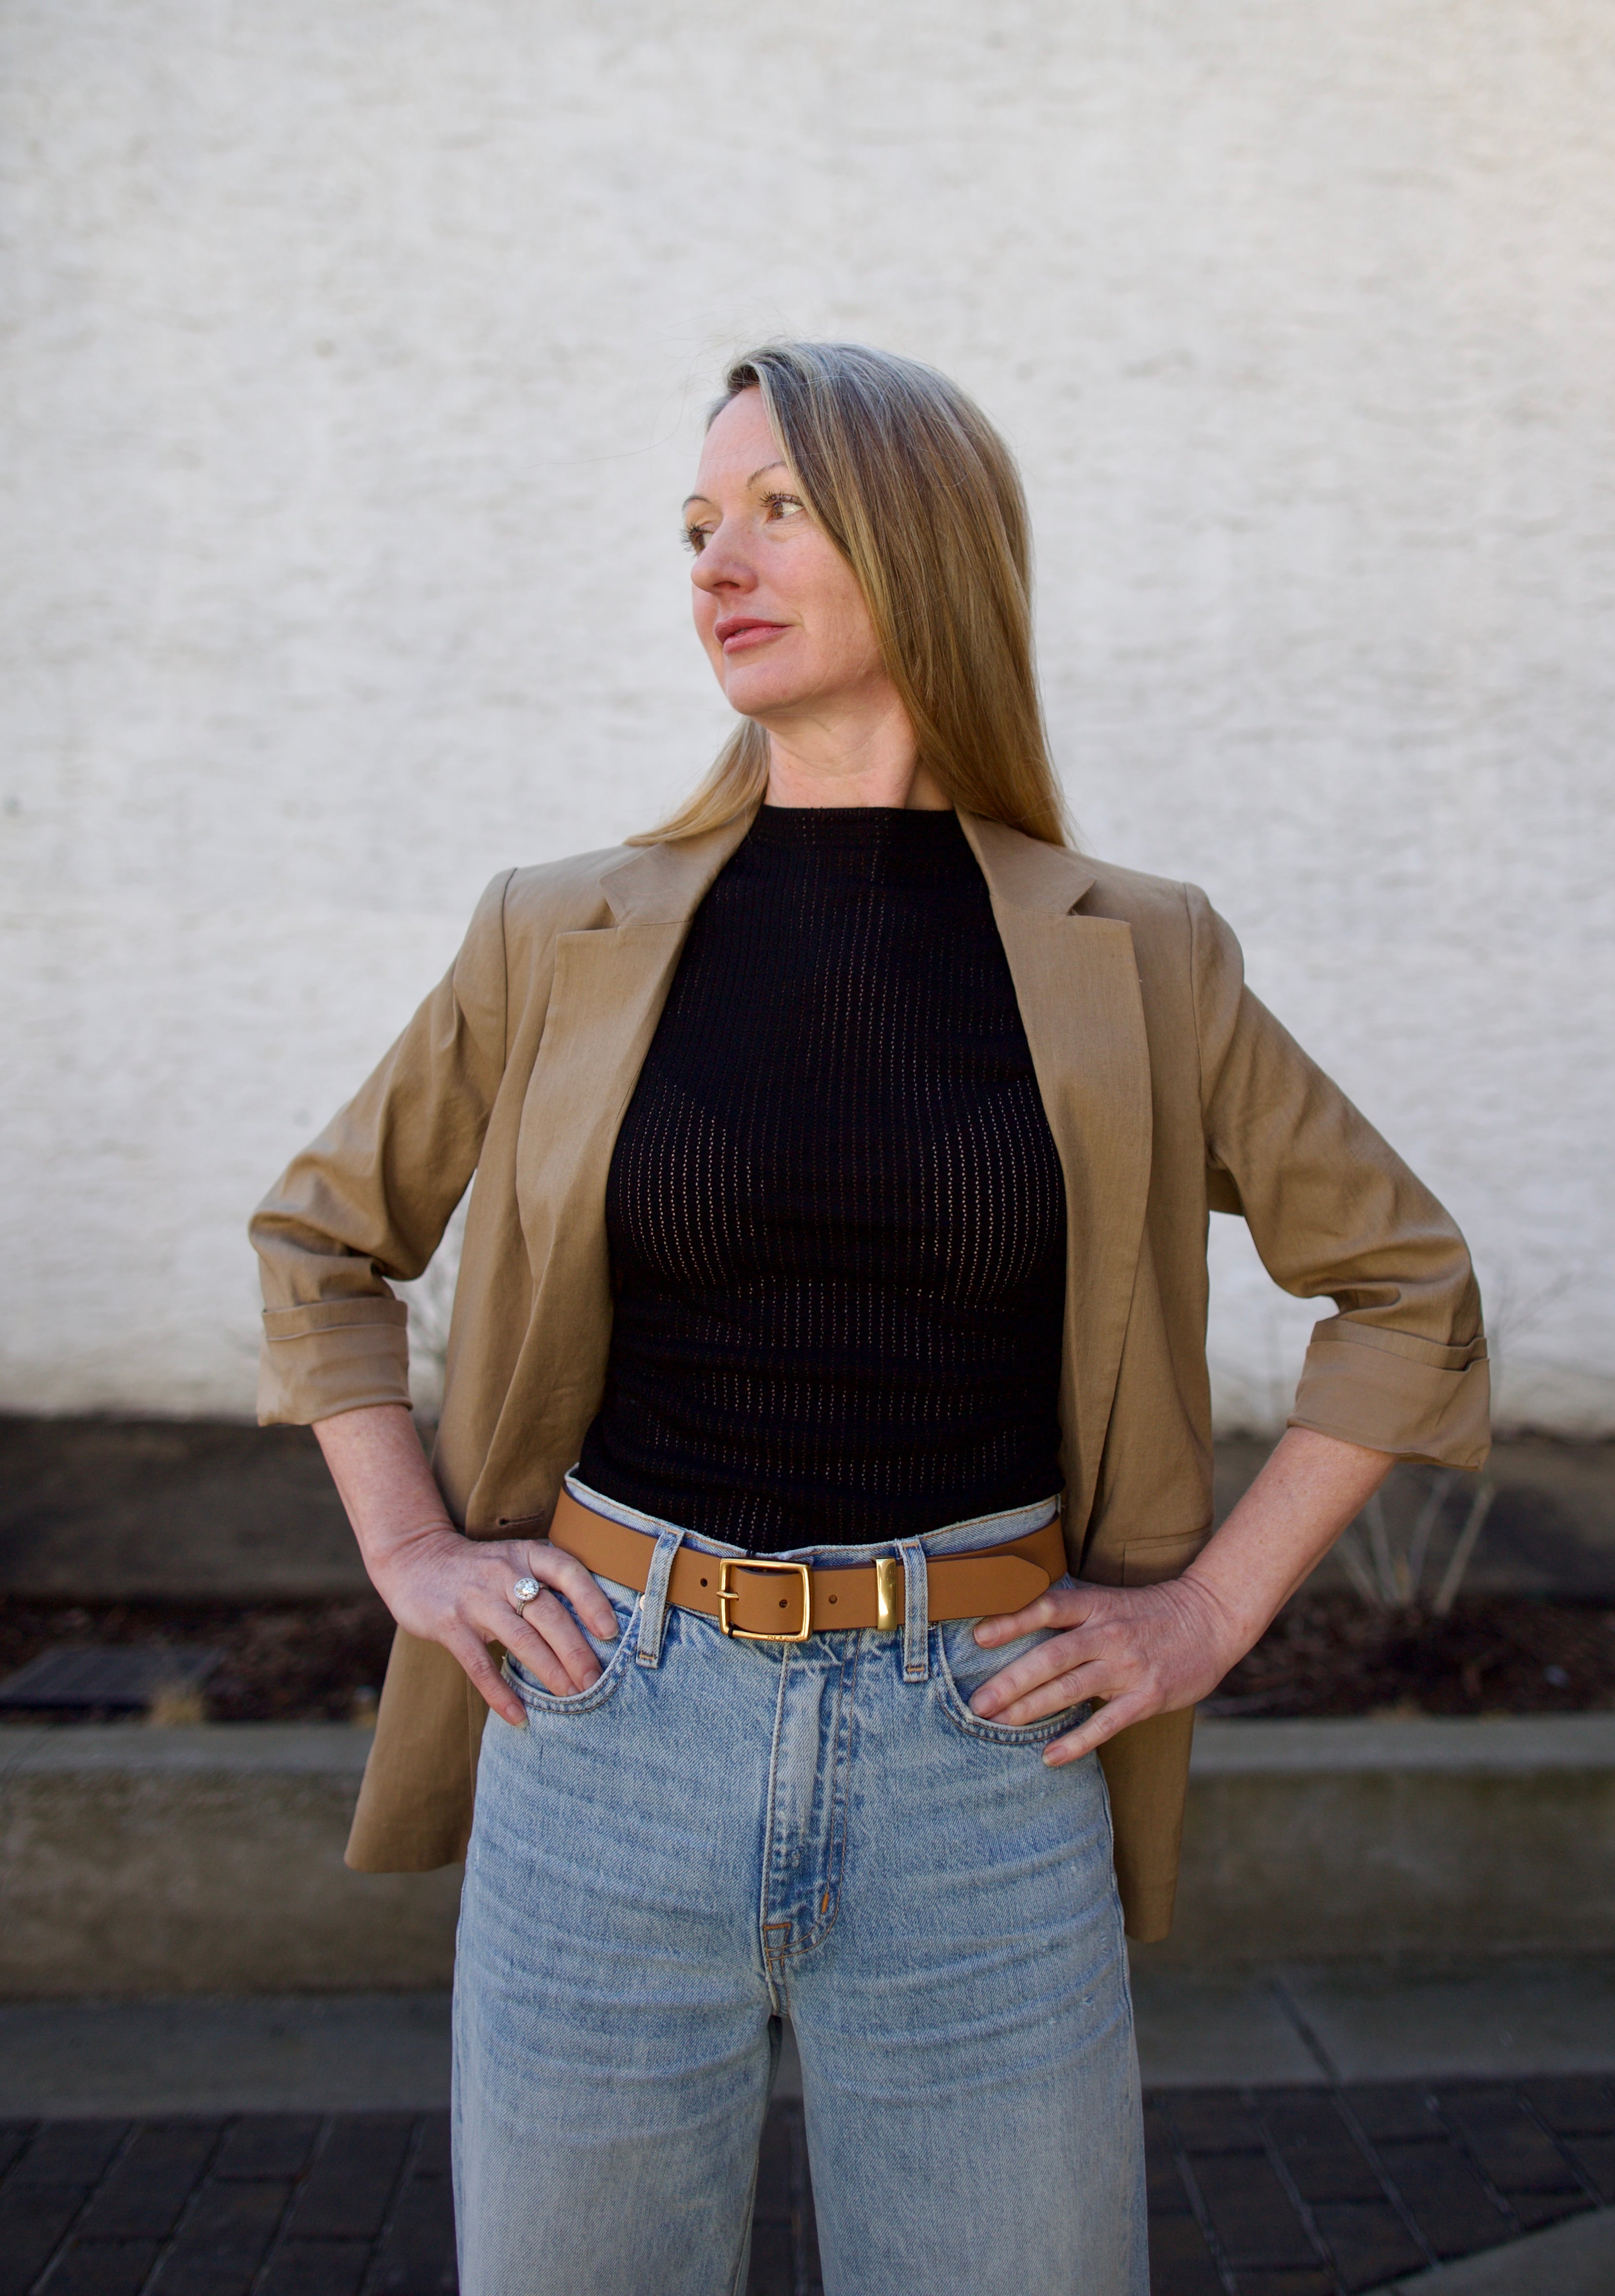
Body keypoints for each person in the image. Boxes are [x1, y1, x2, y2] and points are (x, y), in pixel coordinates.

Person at [249, 340, 1488, 2296]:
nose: (711, 564)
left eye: (776, 510)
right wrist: (410, 1546)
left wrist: (1203, 1613)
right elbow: (323, 1238)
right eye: (692, 527)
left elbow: (1404, 1288)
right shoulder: (556, 927)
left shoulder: (1136, 951)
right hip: (600, 1722)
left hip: (983, 1767)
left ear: (917, 545)